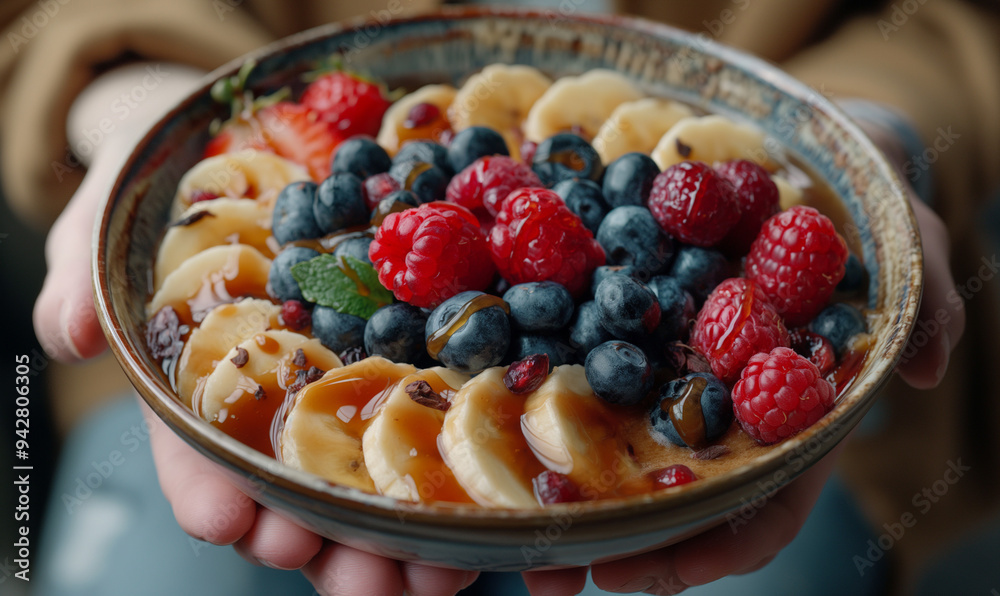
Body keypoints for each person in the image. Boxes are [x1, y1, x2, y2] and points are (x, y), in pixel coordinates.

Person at [2, 0, 997, 594]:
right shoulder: (338, 242)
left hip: (786, 456)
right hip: (212, 396)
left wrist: (875, 138)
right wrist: (146, 113)